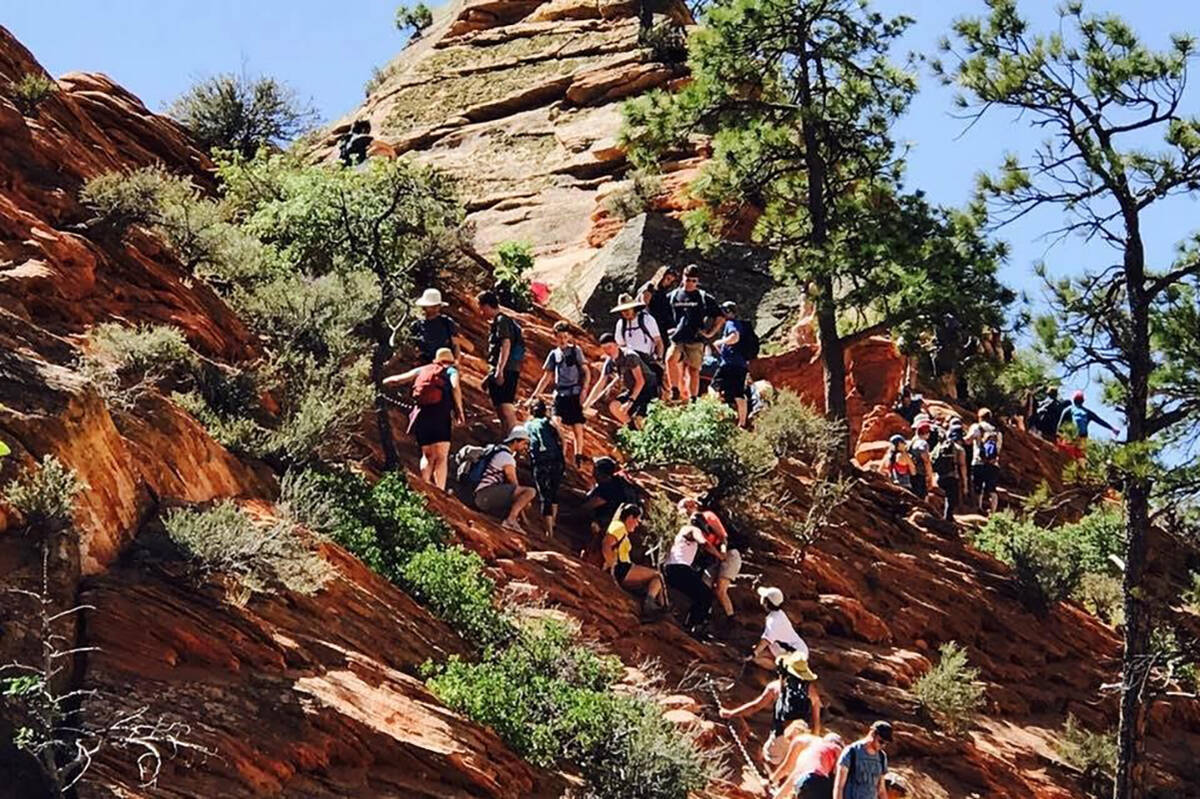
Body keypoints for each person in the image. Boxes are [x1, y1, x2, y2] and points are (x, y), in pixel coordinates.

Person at [382, 347, 465, 490]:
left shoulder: (423, 370)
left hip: (422, 414)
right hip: (441, 415)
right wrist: (459, 410)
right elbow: (455, 386)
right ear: (451, 361)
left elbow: (395, 380)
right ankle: (440, 490)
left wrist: (382, 381)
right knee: (441, 456)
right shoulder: (451, 371)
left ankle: (425, 486)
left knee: (427, 455)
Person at [531, 321, 591, 467]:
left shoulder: (575, 351)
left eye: (565, 337)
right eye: (560, 337)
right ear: (555, 337)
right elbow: (547, 376)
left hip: (574, 393)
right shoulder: (554, 354)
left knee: (577, 427)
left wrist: (584, 390)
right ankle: (561, 453)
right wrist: (535, 394)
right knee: (556, 423)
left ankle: (578, 455)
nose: (563, 340)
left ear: (569, 336)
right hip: (560, 393)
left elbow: (586, 371)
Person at [665, 264, 723, 402]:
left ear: (697, 281)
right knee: (670, 359)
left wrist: (710, 333)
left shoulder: (703, 297)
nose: (690, 283)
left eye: (693, 280)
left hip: (696, 338)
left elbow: (720, 317)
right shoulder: (674, 296)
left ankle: (693, 398)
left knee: (694, 370)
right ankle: (674, 389)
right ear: (682, 278)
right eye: (687, 279)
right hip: (678, 337)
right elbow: (661, 312)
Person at [678, 496, 741, 620]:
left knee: (720, 589)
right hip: (713, 558)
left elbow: (723, 537)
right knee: (704, 587)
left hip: (727, 553)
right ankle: (701, 618)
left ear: (690, 506)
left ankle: (731, 619)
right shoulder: (689, 526)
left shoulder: (707, 516)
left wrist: (722, 553)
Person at [603, 503, 666, 615]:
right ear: (630, 517)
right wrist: (611, 567)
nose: (637, 525)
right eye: (636, 520)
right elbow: (606, 544)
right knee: (658, 575)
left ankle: (661, 606)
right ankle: (651, 606)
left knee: (655, 580)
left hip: (623, 568)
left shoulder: (620, 528)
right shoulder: (619, 526)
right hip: (621, 568)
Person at [585, 333, 660, 428]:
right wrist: (586, 405)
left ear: (616, 345)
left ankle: (643, 432)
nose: (608, 351)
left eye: (609, 347)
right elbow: (600, 383)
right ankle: (633, 430)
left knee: (640, 419)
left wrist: (630, 401)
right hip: (633, 389)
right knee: (614, 407)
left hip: (648, 388)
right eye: (604, 349)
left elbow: (640, 381)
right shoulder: (610, 362)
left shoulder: (629, 356)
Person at [662, 515, 721, 635]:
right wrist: (720, 556)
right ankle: (693, 627)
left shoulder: (681, 532)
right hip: (680, 568)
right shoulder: (694, 529)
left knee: (698, 594)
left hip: (670, 568)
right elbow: (704, 543)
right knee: (706, 595)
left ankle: (690, 624)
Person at [477, 290, 526, 435]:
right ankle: (508, 441)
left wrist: (499, 370)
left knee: (506, 408)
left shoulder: (502, 320)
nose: (480, 312)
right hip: (504, 368)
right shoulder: (500, 321)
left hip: (507, 369)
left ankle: (515, 441)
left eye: (481, 308)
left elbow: (506, 344)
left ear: (486, 306)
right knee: (501, 409)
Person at [470, 425, 537, 530]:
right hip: (484, 495)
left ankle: (511, 518)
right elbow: (514, 484)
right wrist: (523, 509)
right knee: (530, 492)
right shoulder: (507, 458)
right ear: (515, 441)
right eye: (524, 443)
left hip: (481, 496)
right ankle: (511, 520)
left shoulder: (498, 451)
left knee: (520, 495)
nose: (526, 447)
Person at [710, 300, 756, 427]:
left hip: (730, 365)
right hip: (739, 365)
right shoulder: (739, 324)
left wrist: (720, 342)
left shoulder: (731, 324)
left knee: (714, 387)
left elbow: (735, 337)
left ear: (728, 312)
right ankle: (742, 423)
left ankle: (714, 417)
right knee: (738, 394)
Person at [526, 399, 565, 537]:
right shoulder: (550, 423)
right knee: (554, 492)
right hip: (557, 460)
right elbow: (562, 439)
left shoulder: (529, 425)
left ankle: (549, 531)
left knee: (544, 495)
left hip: (540, 461)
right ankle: (553, 521)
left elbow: (527, 442)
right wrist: (562, 455)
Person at [582, 456, 641, 540]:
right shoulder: (617, 481)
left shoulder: (608, 488)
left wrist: (568, 514)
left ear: (600, 473)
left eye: (596, 470)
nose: (593, 472)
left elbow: (588, 506)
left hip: (614, 523)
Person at [773, 731, 843, 799]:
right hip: (817, 780)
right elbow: (839, 776)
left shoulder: (808, 753)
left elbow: (791, 781)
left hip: (801, 783)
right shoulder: (836, 748)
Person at [833, 721, 892, 799]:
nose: (883, 745)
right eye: (881, 742)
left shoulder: (882, 757)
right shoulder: (851, 752)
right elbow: (839, 786)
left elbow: (881, 789)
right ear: (872, 733)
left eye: (886, 743)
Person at [964, 408, 1003, 515]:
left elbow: (967, 440)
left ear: (979, 417)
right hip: (993, 463)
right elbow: (998, 449)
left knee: (978, 486)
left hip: (978, 461)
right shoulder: (997, 432)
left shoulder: (977, 427)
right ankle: (993, 512)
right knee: (992, 489)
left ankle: (979, 508)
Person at [612, 292, 664, 366]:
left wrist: (659, 359)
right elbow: (621, 345)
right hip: (630, 362)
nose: (625, 312)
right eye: (623, 310)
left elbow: (658, 341)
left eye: (627, 309)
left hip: (648, 361)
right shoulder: (621, 324)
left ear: (633, 308)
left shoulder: (647, 319)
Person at [411, 288, 460, 364]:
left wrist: (457, 361)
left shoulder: (446, 322)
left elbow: (455, 344)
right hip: (426, 365)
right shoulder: (417, 326)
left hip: (446, 363)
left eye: (436, 306)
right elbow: (415, 348)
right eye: (431, 306)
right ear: (424, 307)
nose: (435, 308)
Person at [931, 426, 969, 521]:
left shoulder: (940, 446)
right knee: (951, 498)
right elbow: (962, 466)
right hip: (952, 476)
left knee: (940, 497)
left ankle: (939, 515)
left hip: (939, 476)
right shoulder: (960, 449)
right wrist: (965, 482)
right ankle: (948, 517)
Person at [907, 421, 934, 500]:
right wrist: (929, 474)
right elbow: (926, 460)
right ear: (926, 432)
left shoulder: (912, 441)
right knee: (921, 497)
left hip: (912, 472)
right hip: (920, 473)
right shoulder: (923, 443)